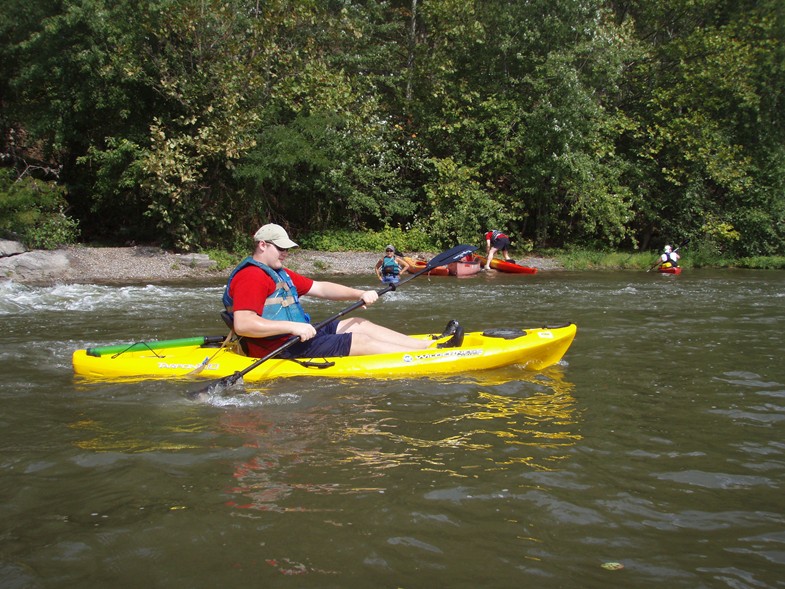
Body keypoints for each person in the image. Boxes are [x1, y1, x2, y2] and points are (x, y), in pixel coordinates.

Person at [223, 224, 464, 359]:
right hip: (278, 348)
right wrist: (293, 327)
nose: (286, 253)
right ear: (263, 245)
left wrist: (357, 293)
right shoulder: (252, 276)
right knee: (359, 340)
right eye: (281, 248)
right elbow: (244, 325)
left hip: (295, 336)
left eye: (288, 249)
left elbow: (319, 287)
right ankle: (432, 357)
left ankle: (426, 346)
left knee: (358, 323)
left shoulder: (276, 271)